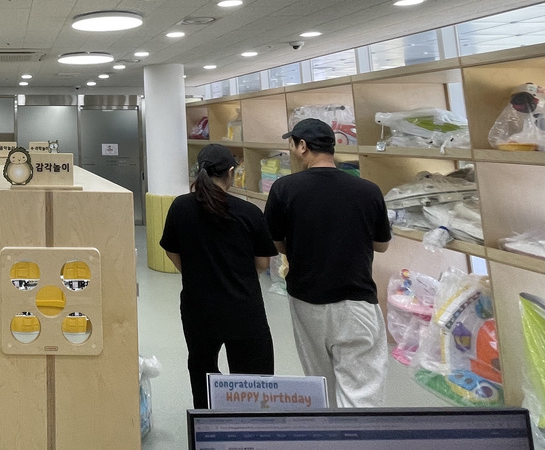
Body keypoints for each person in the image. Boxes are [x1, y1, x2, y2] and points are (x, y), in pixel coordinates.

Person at [264, 118, 392, 408]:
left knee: (320, 382)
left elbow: (274, 241)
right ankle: (359, 437)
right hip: (356, 301)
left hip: (305, 299)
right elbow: (382, 245)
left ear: (302, 146)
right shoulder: (368, 190)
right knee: (362, 387)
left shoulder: (284, 188)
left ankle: (327, 432)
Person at [160, 144, 277, 409]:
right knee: (254, 381)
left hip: (199, 309)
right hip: (244, 309)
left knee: (202, 370)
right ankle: (250, 428)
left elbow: (171, 250)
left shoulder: (180, 207)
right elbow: (262, 262)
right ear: (231, 172)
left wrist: (194, 273)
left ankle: (205, 424)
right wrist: (241, 276)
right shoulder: (248, 212)